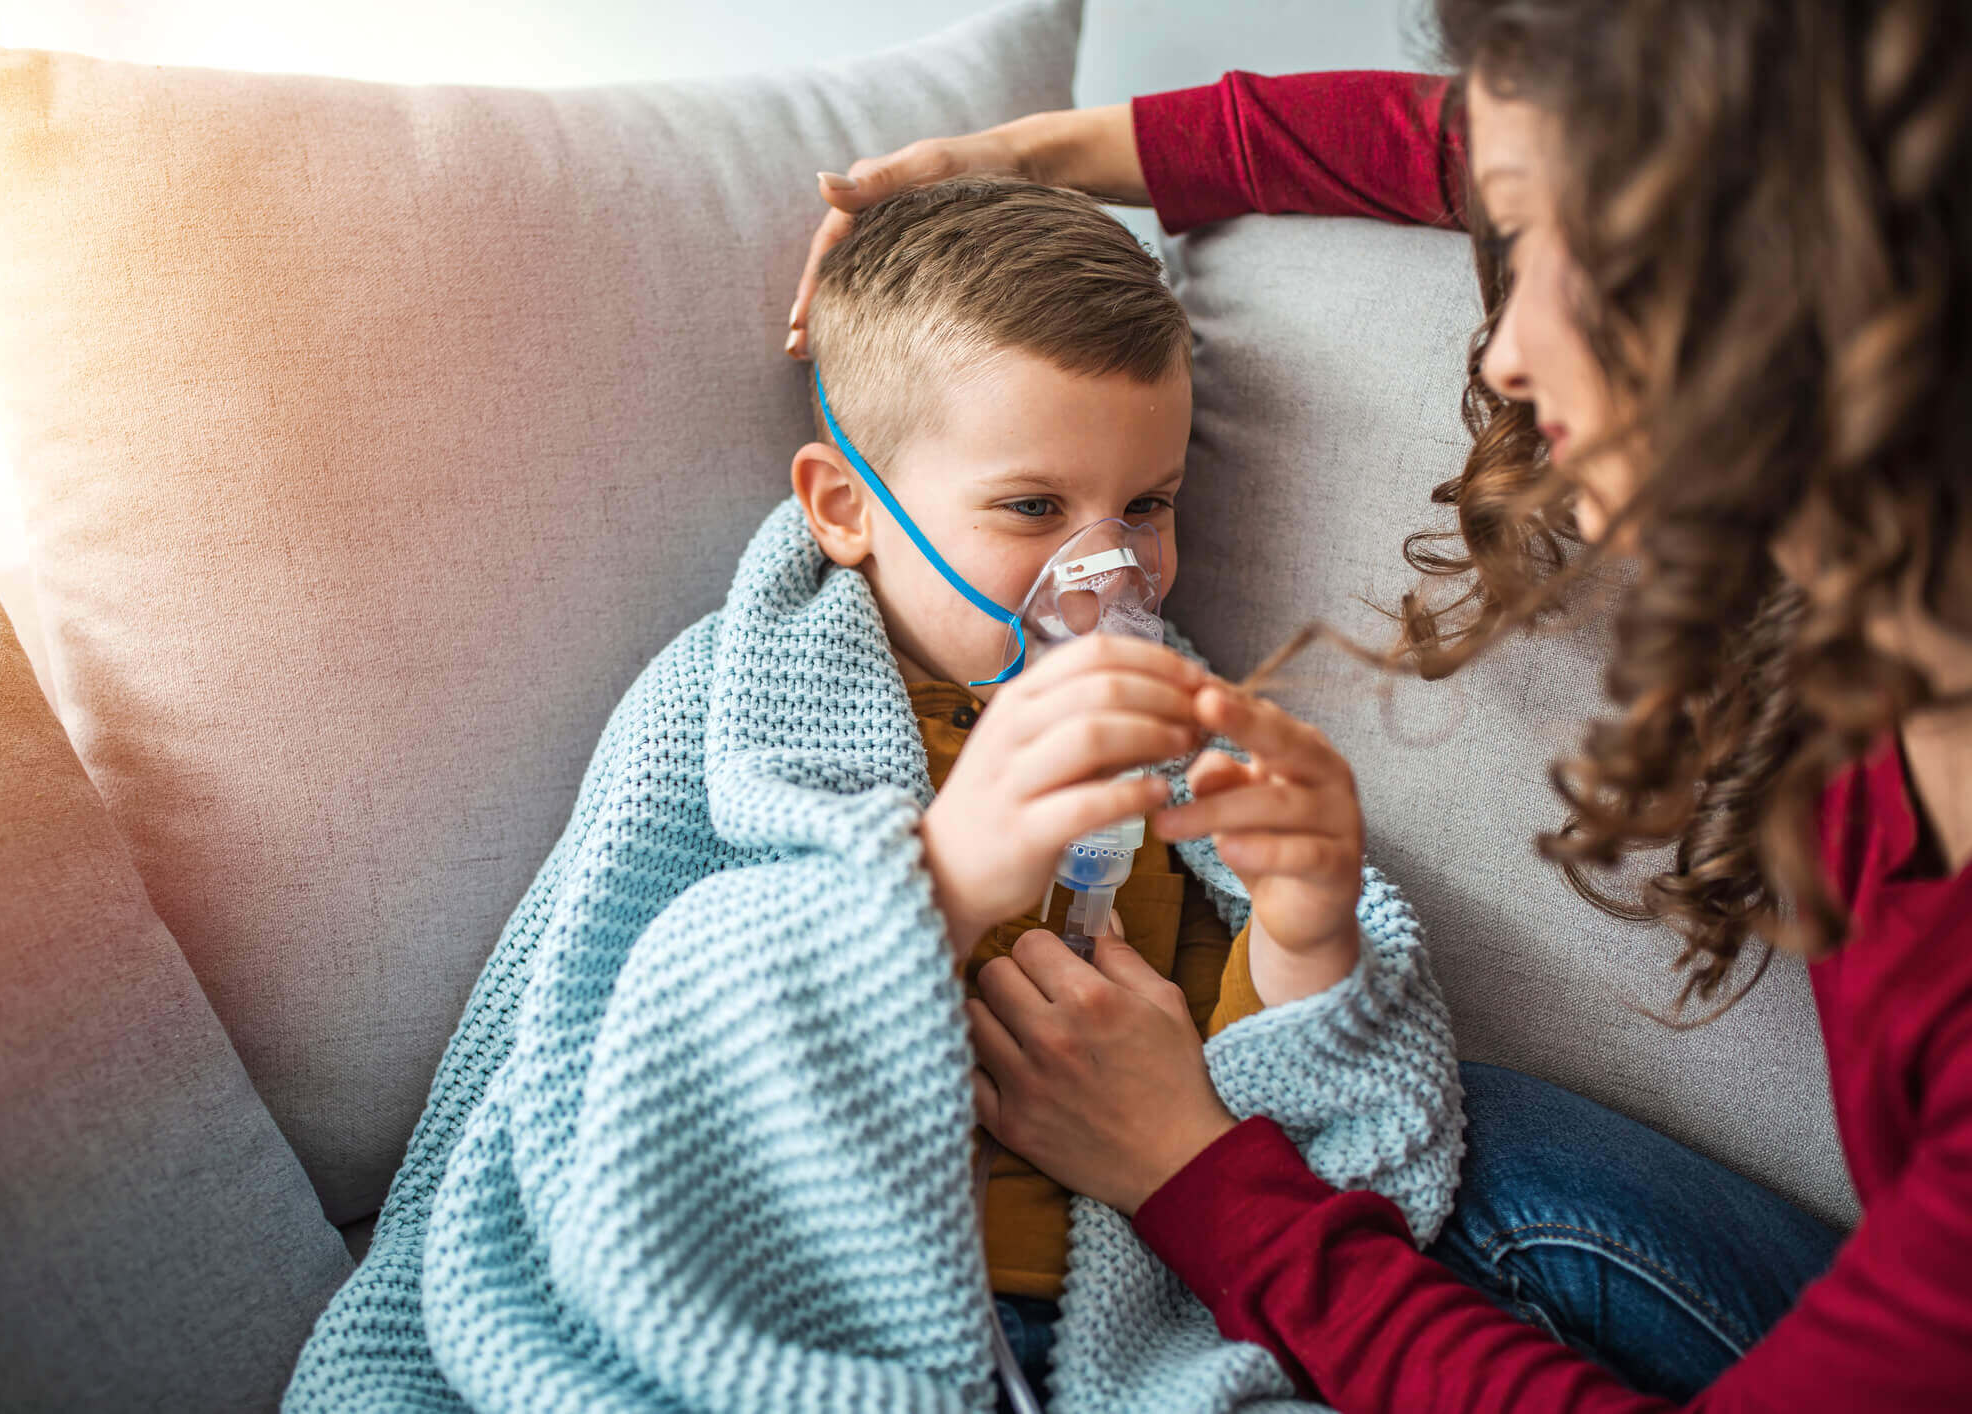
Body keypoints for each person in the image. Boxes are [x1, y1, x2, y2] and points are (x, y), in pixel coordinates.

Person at [786, 0, 1970, 1409]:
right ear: (839, 503)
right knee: (1508, 1150)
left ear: (1801, 264)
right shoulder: (775, 713)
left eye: (1554, 249)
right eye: (1034, 506)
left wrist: (1247, 1049)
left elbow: (1290, 1085)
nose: (1502, 354)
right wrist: (1041, 157)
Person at [795, 174, 1418, 1404]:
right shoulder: (748, 728)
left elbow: (1242, 1087)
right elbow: (676, 1040)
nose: (1105, 572)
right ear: (847, 507)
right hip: (868, 1300)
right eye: (1033, 508)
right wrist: (943, 885)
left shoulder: (1174, 741)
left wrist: (1302, 933)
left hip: (1136, 1301)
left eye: (1147, 505)